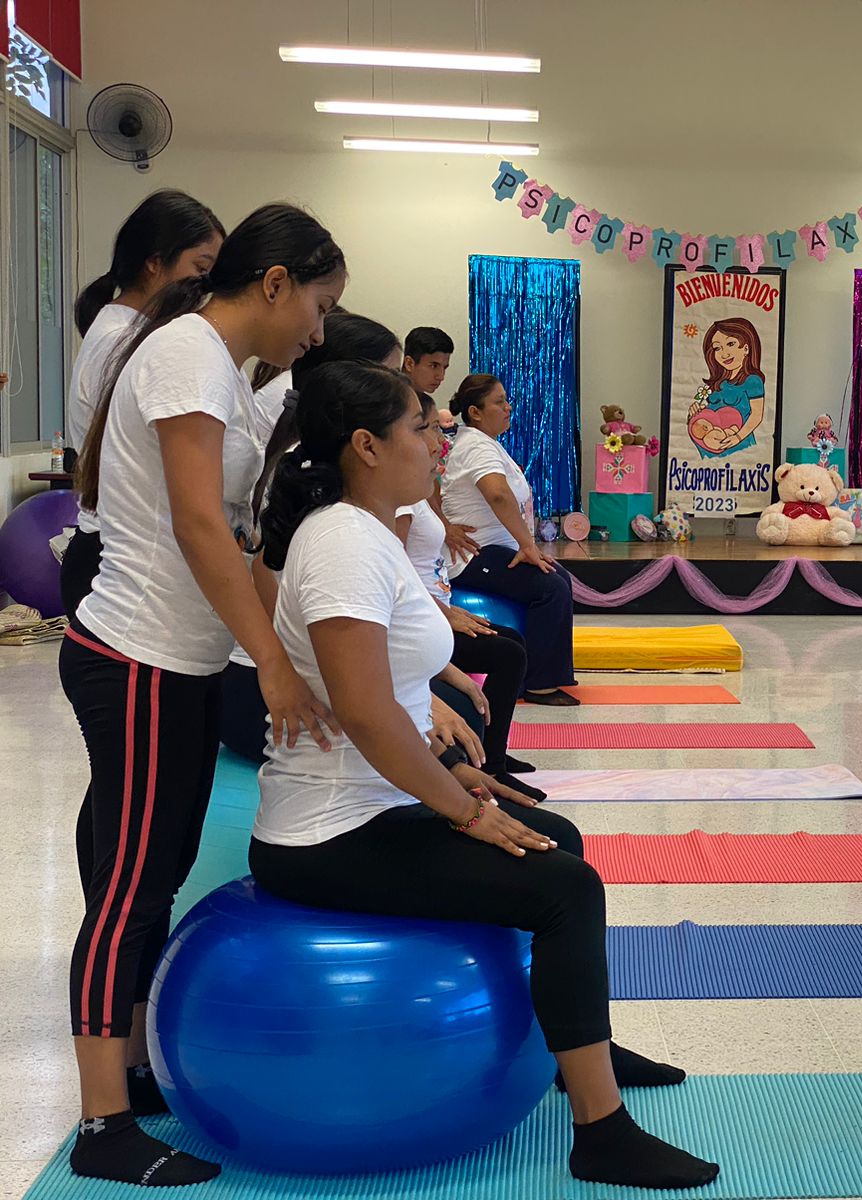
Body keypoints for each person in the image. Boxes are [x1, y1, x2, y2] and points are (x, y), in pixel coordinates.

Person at [249, 361, 718, 1188]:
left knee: (558, 836)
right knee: (564, 888)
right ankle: (600, 1132)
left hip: (376, 801)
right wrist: (464, 810)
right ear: (365, 445)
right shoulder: (341, 543)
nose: (441, 443)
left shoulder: (369, 531)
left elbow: (393, 694)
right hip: (325, 832)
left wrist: (462, 774)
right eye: (423, 429)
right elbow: (363, 710)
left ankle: (586, 1055)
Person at [60, 203, 347, 1186]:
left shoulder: (210, 365)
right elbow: (195, 525)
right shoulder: (189, 357)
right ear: (274, 283)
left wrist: (294, 646)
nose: (316, 331)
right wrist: (267, 660)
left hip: (165, 658)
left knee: (145, 873)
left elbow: (232, 531)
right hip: (138, 656)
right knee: (132, 888)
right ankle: (104, 1125)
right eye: (316, 305)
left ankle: (130, 1074)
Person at [219, 312, 491, 772]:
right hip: (269, 691)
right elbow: (288, 607)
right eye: (386, 376)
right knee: (456, 722)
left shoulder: (352, 487)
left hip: (314, 676)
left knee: (464, 702)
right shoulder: (321, 492)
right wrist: (419, 704)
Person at [59, 190, 225, 616]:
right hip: (111, 555)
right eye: (200, 269)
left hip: (118, 547)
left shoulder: (136, 332)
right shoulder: (122, 341)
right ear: (155, 262)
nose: (205, 288)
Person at [397, 389, 536, 780]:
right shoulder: (401, 502)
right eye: (431, 430)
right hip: (420, 619)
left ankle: (496, 758)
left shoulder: (424, 488)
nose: (444, 440)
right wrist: (444, 613)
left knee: (513, 644)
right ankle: (490, 765)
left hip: (438, 610)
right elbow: (396, 575)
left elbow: (439, 520)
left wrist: (450, 529)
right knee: (507, 654)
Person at [441, 374, 579, 706]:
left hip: (492, 549)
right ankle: (538, 684)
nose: (508, 407)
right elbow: (498, 495)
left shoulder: (483, 442)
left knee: (557, 577)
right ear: (475, 411)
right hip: (473, 555)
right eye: (499, 401)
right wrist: (528, 546)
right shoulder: (475, 445)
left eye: (506, 399)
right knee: (551, 587)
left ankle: (541, 673)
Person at [687, 318, 764, 459]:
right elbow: (709, 411)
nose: (724, 354)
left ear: (746, 348)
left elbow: (757, 415)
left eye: (730, 344)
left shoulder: (752, 380)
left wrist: (738, 437)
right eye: (717, 348)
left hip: (738, 448)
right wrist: (695, 411)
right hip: (706, 451)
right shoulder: (718, 382)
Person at [401, 326, 453, 397]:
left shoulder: (423, 402)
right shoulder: (387, 403)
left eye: (444, 368)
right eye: (434, 366)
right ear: (409, 364)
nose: (441, 377)